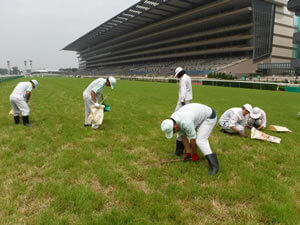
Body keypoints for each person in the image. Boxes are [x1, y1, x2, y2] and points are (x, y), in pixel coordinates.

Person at [161, 103, 219, 175]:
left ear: (175, 127)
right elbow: (183, 135)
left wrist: (194, 153)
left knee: (201, 141)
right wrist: (188, 153)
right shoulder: (174, 119)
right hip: (195, 116)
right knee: (180, 135)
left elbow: (192, 139)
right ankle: (179, 151)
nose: (174, 133)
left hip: (209, 117)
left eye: (173, 132)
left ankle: (215, 167)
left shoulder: (186, 122)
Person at [174, 67, 193, 156]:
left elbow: (183, 90)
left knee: (176, 120)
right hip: (187, 101)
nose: (177, 77)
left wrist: (182, 100)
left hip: (183, 101)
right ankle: (185, 146)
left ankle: (179, 150)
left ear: (179, 73)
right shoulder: (188, 77)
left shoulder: (183, 79)